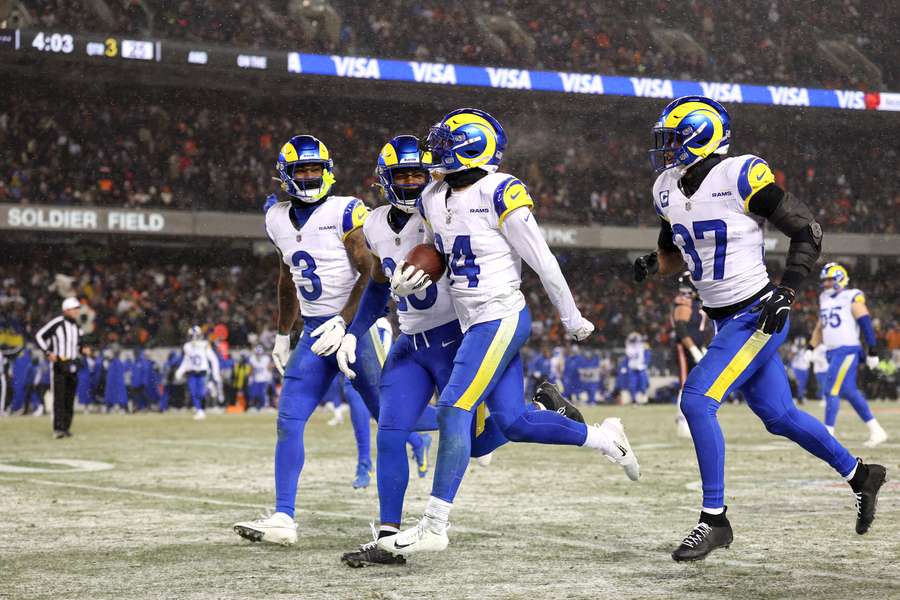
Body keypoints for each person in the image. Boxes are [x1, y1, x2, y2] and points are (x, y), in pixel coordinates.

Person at [634, 95, 886, 561]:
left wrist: (787, 293)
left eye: (673, 139)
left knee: (696, 400)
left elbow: (807, 230)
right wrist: (654, 263)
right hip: (725, 318)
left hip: (757, 312)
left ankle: (715, 520)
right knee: (779, 416)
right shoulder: (666, 188)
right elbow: (675, 255)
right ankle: (860, 474)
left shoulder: (739, 174)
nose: (666, 150)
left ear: (701, 137)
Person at [384, 109, 639, 555]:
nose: (437, 150)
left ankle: (434, 524)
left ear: (474, 148)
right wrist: (413, 275)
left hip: (499, 314)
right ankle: (606, 438)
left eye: (448, 141)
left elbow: (543, 260)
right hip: (472, 320)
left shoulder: (501, 191)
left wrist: (571, 316)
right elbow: (437, 251)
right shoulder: (432, 195)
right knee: (513, 422)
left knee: (454, 408)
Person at [338, 134, 584, 566]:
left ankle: (548, 416)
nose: (413, 182)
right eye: (403, 175)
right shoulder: (376, 223)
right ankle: (387, 536)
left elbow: (482, 254)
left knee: (479, 435)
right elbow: (378, 283)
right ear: (385, 179)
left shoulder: (439, 205)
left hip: (456, 335)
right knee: (392, 432)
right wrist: (352, 332)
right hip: (409, 340)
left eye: (419, 173)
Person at [232, 134, 432, 547]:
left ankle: (463, 419)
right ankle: (284, 517)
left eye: (314, 169)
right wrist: (284, 334)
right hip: (312, 334)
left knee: (389, 416)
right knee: (288, 422)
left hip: (352, 330)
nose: (309, 176)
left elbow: (368, 275)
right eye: (301, 170)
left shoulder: (346, 212)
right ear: (286, 175)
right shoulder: (275, 218)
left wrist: (344, 327)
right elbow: (287, 279)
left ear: (327, 171)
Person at [810, 263, 888, 446]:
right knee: (849, 392)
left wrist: (872, 350)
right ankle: (877, 430)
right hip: (832, 351)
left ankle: (827, 433)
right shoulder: (824, 298)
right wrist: (810, 347)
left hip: (847, 350)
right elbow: (821, 326)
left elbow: (866, 323)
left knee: (831, 389)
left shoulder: (851, 296)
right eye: (825, 281)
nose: (826, 284)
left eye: (830, 280)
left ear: (840, 278)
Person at [34, 297, 83, 438]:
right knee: (59, 397)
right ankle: (58, 428)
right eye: (75, 309)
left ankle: (66, 427)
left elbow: (80, 344)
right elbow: (39, 336)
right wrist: (48, 352)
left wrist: (84, 349)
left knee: (69, 397)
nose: (77, 311)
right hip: (59, 364)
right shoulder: (57, 323)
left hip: (72, 364)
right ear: (66, 310)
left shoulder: (76, 327)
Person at [672, 271, 710, 437]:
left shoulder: (698, 302)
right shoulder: (684, 302)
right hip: (685, 349)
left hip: (698, 346)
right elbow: (680, 328)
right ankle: (682, 421)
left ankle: (694, 418)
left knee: (698, 385)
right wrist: (693, 348)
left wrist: (702, 347)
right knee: (685, 384)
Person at [174, 326, 221, 420]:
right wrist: (180, 370)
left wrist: (216, 373)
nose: (193, 337)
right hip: (192, 372)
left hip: (203, 372)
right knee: (193, 392)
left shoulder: (205, 344)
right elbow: (186, 360)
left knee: (201, 393)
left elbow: (213, 359)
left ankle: (209, 390)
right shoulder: (187, 346)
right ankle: (199, 411)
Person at [624, 332, 651, 404]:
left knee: (643, 384)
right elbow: (627, 358)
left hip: (641, 367)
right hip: (632, 367)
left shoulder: (643, 346)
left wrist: (646, 363)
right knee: (632, 385)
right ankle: (634, 399)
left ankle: (644, 398)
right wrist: (625, 367)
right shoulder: (628, 347)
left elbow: (648, 354)